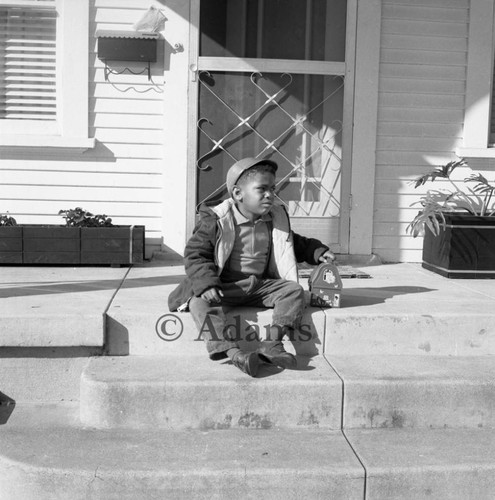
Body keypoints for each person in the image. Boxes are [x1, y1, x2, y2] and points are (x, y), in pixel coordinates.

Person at [168, 157, 335, 377]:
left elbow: (292, 241)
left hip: (259, 286)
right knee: (199, 303)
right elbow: (195, 254)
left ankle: (272, 344)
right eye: (262, 189)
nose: (270, 195)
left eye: (273, 189)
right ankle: (234, 353)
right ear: (238, 194)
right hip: (225, 286)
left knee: (293, 291)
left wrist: (317, 251)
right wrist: (206, 284)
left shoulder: (274, 218)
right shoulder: (216, 220)